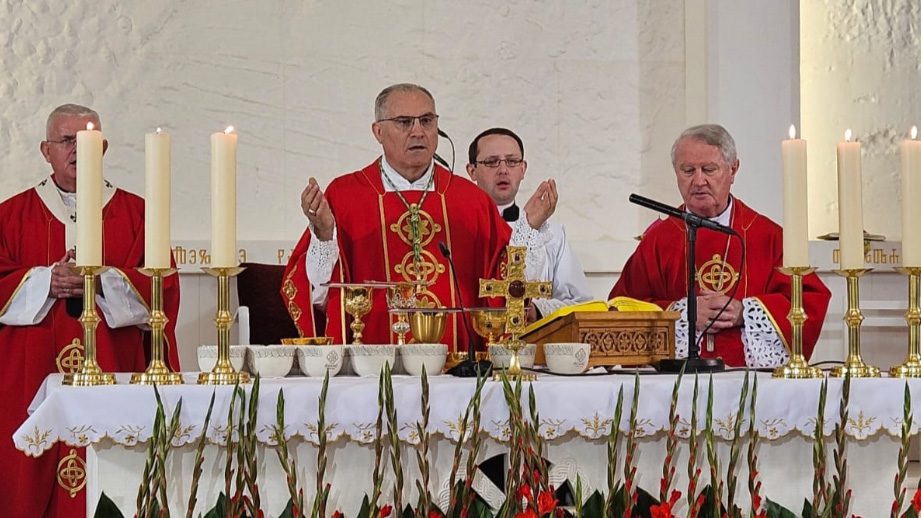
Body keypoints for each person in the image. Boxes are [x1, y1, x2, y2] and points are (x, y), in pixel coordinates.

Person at [0, 104, 180, 517]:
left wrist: (100, 280)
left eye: (89, 141)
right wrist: (47, 281)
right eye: (67, 141)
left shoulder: (138, 215)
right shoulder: (10, 216)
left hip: (114, 369)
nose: (78, 150)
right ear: (46, 151)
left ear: (104, 147)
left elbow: (163, 289)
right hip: (27, 378)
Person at [283, 84, 552, 350]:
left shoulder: (472, 201)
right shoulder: (346, 197)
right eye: (404, 122)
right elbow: (317, 295)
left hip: (458, 370)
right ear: (378, 131)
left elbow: (509, 289)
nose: (418, 132)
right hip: (371, 368)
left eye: (426, 121)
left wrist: (529, 226)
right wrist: (324, 235)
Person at [609, 124, 830, 367]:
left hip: (753, 382)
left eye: (709, 169)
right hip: (673, 382)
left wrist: (744, 312)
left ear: (733, 169)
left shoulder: (767, 236)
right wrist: (682, 314)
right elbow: (620, 310)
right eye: (688, 170)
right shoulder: (659, 240)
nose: (698, 180)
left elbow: (809, 301)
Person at [466, 127, 593, 319]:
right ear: (472, 170)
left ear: (523, 169)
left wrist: (537, 311)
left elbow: (581, 303)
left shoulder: (552, 233)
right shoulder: (461, 227)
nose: (503, 170)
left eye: (512, 161)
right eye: (492, 162)